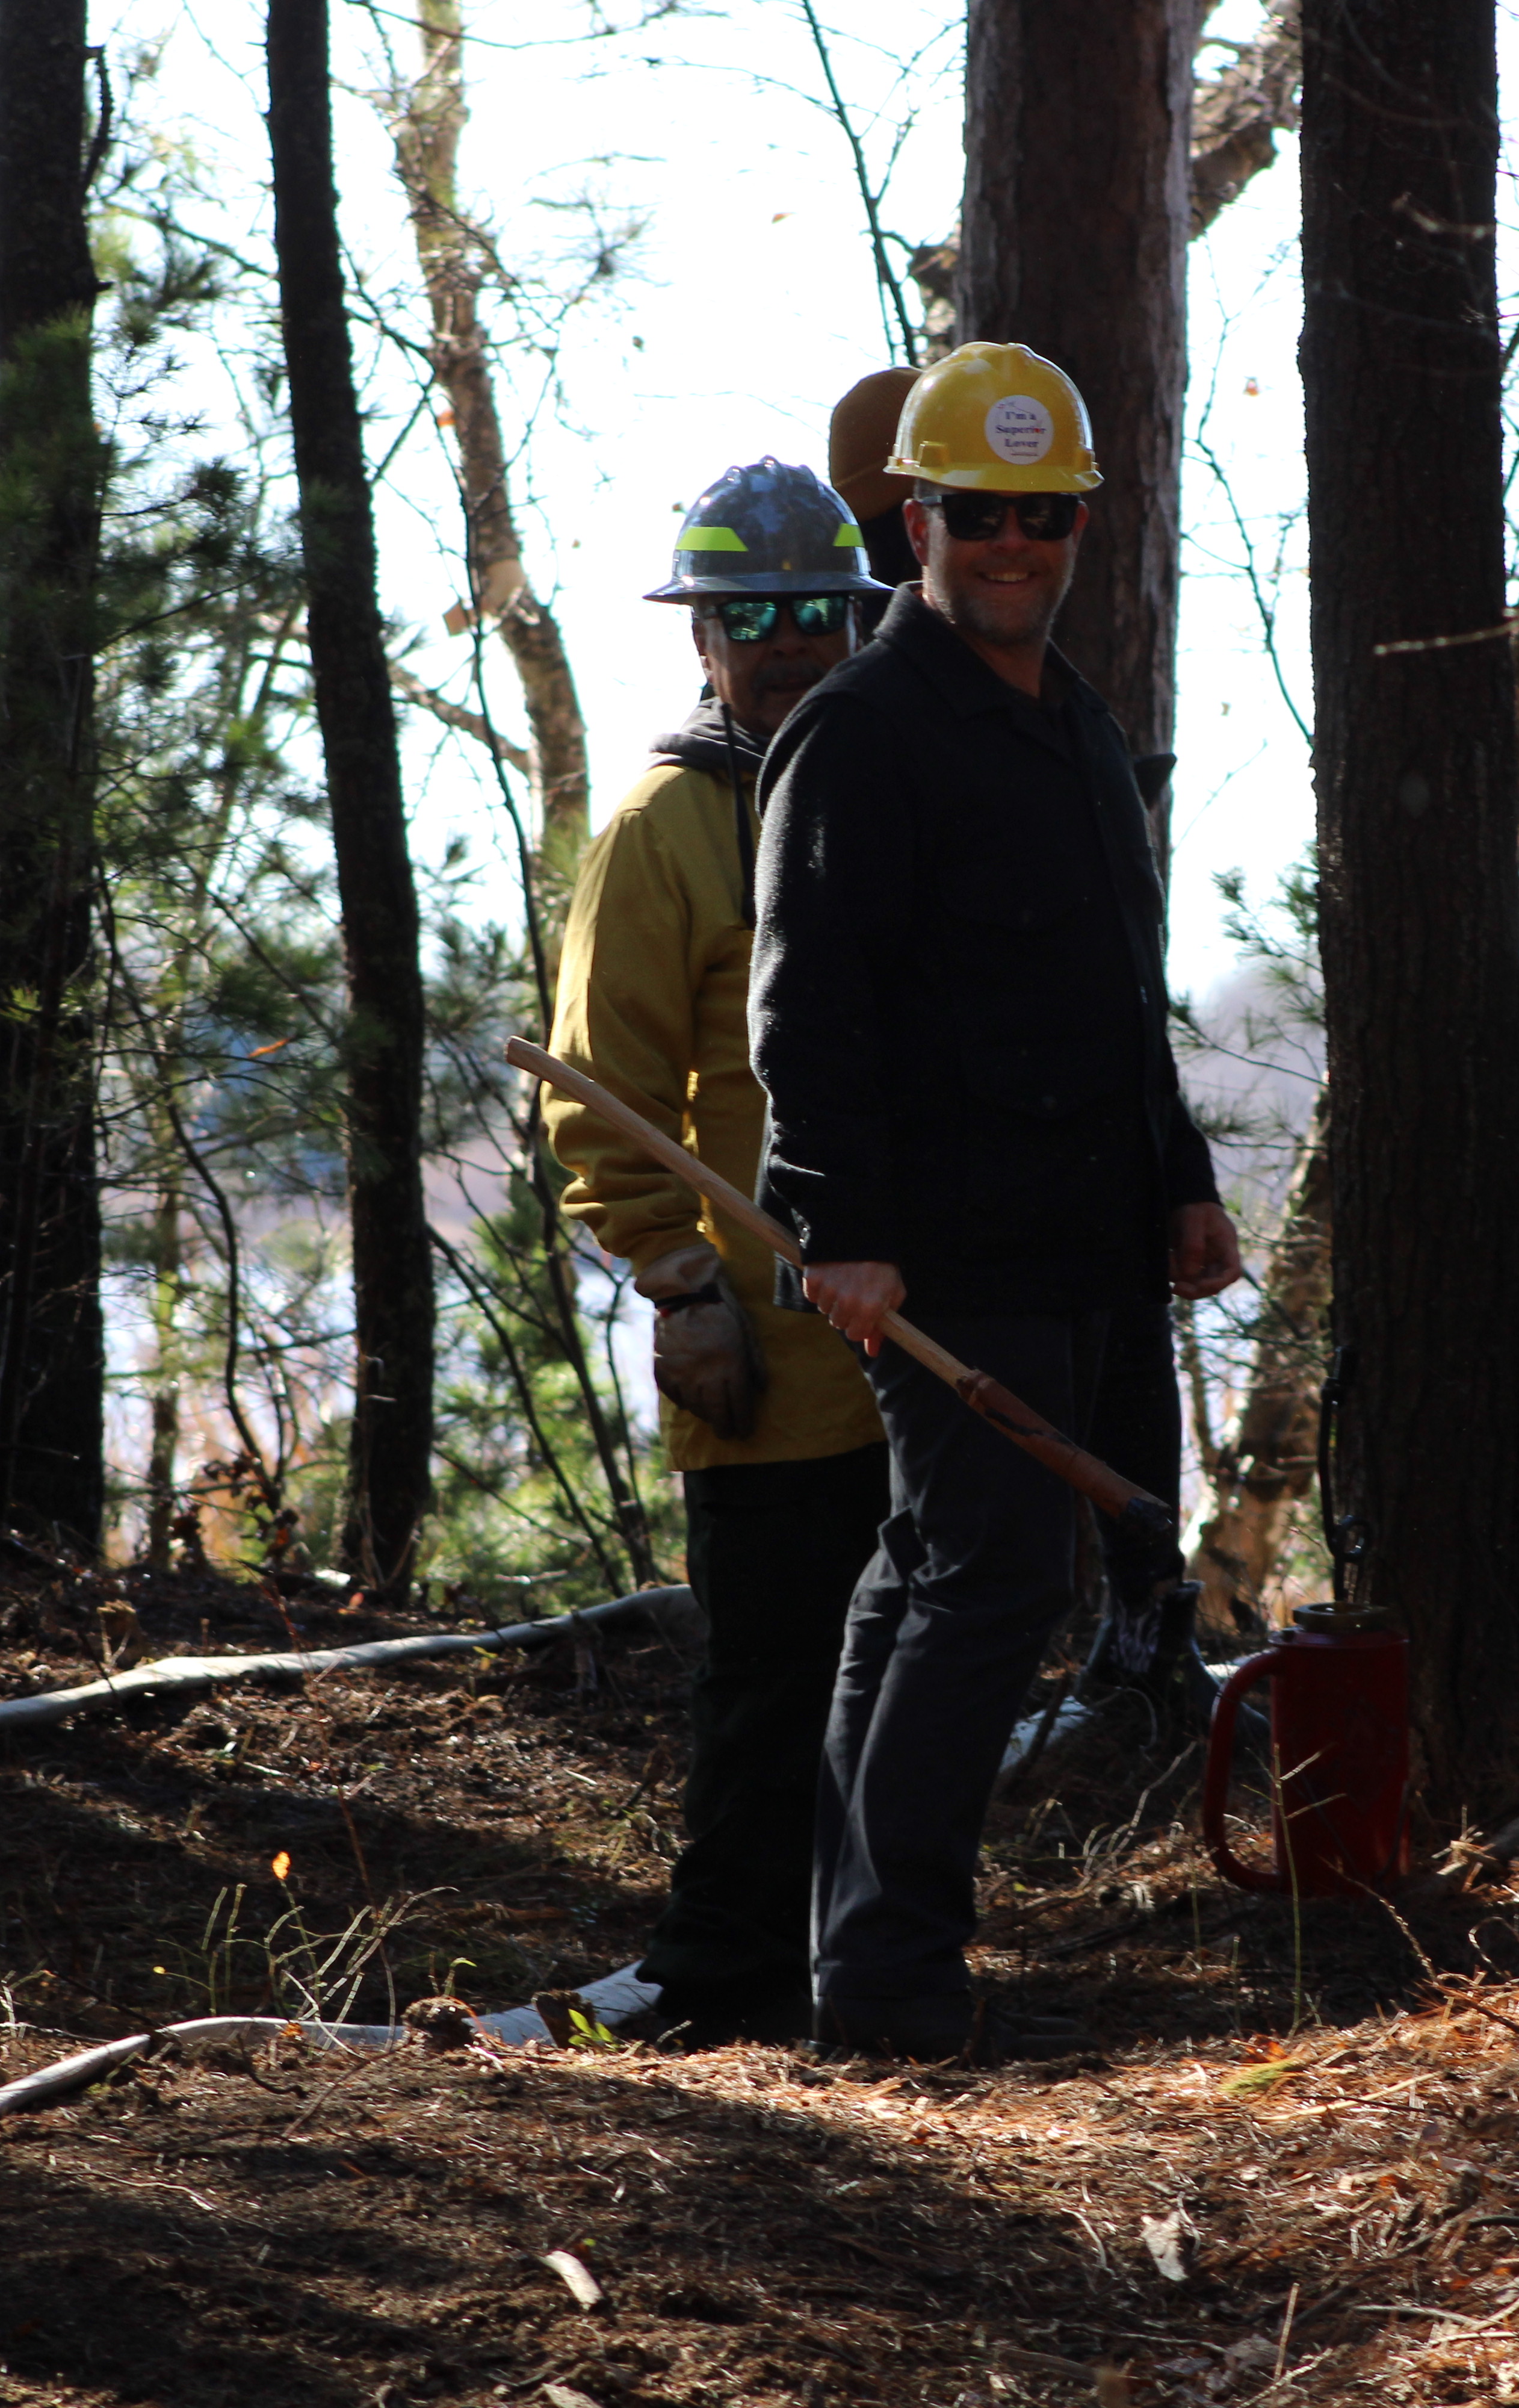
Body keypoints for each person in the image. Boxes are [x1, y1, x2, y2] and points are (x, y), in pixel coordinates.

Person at [750, 343, 1246, 2063]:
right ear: (918, 524)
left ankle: (859, 1960)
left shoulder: (1076, 723)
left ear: (1081, 525)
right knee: (988, 1586)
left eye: (1048, 516)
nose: (1017, 544)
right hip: (952, 1249)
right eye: (981, 514)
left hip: (1086, 1232)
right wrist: (841, 1229)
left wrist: (1181, 1183)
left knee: (927, 1581)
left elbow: (1116, 992)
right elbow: (808, 1009)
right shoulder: (860, 731)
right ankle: (895, 1989)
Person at [539, 456, 891, 2051]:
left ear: (859, 619)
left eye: (816, 612)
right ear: (702, 638)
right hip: (762, 1342)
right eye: (750, 619)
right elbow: (600, 1092)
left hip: (917, 1335)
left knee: (907, 1671)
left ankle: (865, 1959)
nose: (788, 643)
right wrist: (682, 1288)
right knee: (770, 1670)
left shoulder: (897, 791)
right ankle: (720, 1969)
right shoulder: (663, 827)